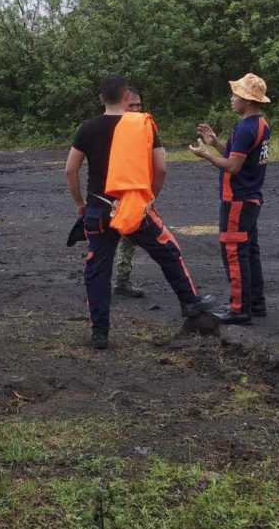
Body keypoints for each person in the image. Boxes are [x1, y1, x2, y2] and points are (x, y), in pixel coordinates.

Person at [65, 76, 214, 349]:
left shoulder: (87, 128)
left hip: (98, 207)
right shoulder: (142, 125)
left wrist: (79, 203)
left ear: (101, 98)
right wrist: (150, 199)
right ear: (126, 97)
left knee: (97, 271)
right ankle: (190, 302)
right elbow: (161, 168)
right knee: (167, 251)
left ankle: (100, 333)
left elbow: (70, 169)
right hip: (134, 207)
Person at [188, 73, 272, 324]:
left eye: (236, 95)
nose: (232, 99)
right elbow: (238, 157)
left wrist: (206, 155)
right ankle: (255, 303)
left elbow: (233, 167)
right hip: (250, 198)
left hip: (237, 199)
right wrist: (216, 144)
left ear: (247, 100)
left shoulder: (246, 128)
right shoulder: (261, 124)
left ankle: (239, 309)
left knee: (234, 252)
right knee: (250, 251)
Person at [113, 87, 146, 299]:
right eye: (131, 105)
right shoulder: (112, 128)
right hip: (112, 193)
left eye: (138, 105)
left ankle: (122, 280)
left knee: (128, 239)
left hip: (134, 194)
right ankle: (96, 281)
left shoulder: (144, 127)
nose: (135, 109)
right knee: (104, 240)